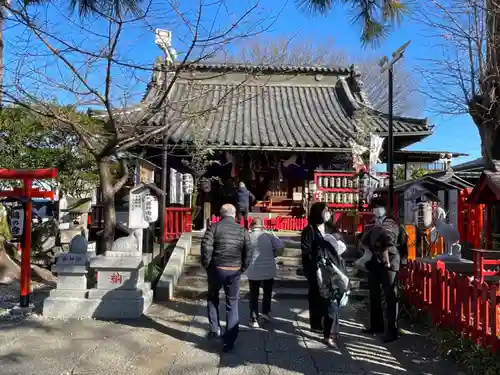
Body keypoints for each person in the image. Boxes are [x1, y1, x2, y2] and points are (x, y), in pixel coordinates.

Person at [200, 203, 254, 352]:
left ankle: (215, 328)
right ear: (234, 215)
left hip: (217, 268)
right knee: (232, 303)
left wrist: (207, 264)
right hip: (234, 269)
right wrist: (243, 267)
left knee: (212, 297)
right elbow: (249, 250)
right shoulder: (242, 230)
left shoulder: (214, 227)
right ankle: (229, 340)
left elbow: (206, 246)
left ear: (221, 214)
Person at [361, 195, 401, 343]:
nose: (376, 210)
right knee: (374, 294)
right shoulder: (373, 222)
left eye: (378, 207)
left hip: (389, 261)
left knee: (390, 296)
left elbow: (388, 239)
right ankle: (376, 325)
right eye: (374, 207)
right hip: (375, 261)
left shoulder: (391, 222)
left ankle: (392, 331)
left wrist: (375, 239)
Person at [301, 202, 341, 346]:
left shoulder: (331, 228)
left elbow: (339, 244)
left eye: (328, 210)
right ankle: (319, 324)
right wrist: (318, 253)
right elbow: (305, 250)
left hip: (333, 270)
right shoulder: (309, 230)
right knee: (317, 297)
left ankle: (330, 333)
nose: (327, 212)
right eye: (325, 210)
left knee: (332, 300)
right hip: (316, 270)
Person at [246, 217, 284, 328]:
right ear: (262, 225)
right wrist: (274, 254)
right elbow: (281, 246)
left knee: (254, 294)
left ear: (251, 225)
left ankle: (253, 318)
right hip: (268, 269)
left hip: (253, 269)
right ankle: (265, 314)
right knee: (267, 292)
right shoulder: (268, 235)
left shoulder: (247, 236)